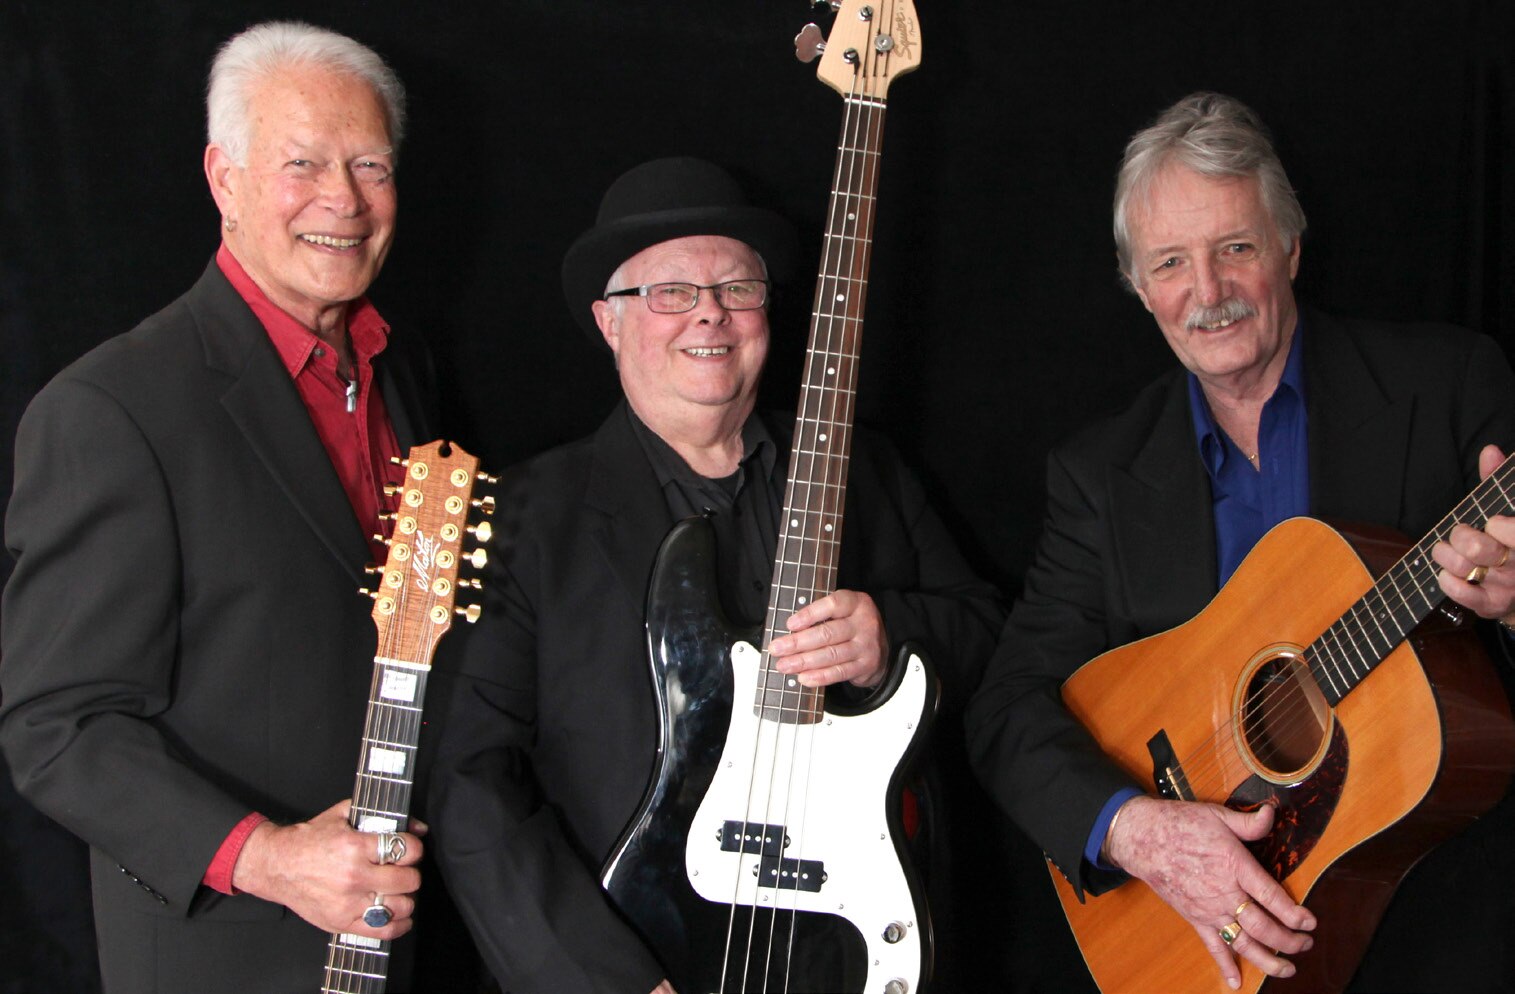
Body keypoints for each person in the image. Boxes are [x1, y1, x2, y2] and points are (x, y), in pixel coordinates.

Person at [965, 91, 1515, 993]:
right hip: (1205, 941)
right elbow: (1005, 709)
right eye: (1171, 263)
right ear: (1140, 289)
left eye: (1235, 248)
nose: (1208, 293)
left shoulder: (1447, 384)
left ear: (1290, 248)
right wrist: (1136, 829)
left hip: (1438, 907)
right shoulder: (1099, 475)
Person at [425, 156, 1004, 993]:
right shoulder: (523, 516)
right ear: (608, 322)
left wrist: (890, 637)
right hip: (638, 954)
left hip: (864, 955)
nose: (709, 315)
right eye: (669, 293)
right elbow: (469, 784)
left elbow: (987, 632)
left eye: (737, 288)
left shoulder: (865, 469)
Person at [0, 22, 436, 993]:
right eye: (302, 164)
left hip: (402, 945)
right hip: (228, 957)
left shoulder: (399, 376)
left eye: (370, 163)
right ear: (224, 177)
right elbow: (57, 727)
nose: (344, 199)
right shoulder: (114, 410)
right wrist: (273, 858)